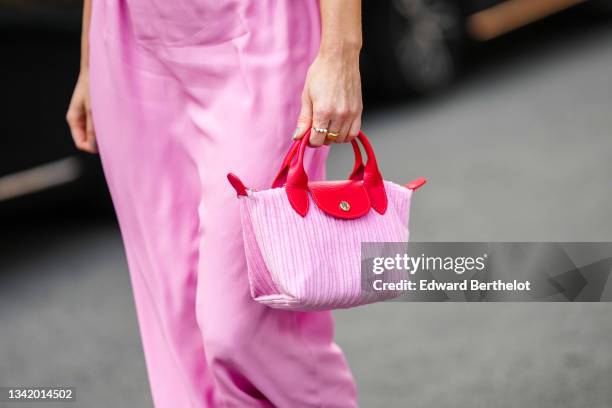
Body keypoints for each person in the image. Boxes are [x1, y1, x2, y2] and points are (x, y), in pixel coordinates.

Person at [66, 1, 363, 406]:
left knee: (242, 324)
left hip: (259, 26)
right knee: (177, 331)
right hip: (126, 40)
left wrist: (341, 50)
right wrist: (87, 63)